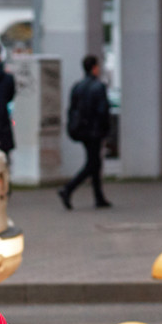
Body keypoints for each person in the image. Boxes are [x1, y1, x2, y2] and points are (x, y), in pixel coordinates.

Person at [57, 54, 112, 210]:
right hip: (95, 131)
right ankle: (68, 189)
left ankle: (99, 197)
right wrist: (105, 129)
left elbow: (72, 109)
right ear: (94, 67)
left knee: (94, 162)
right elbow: (103, 111)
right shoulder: (99, 87)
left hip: (82, 131)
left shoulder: (77, 86)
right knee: (93, 163)